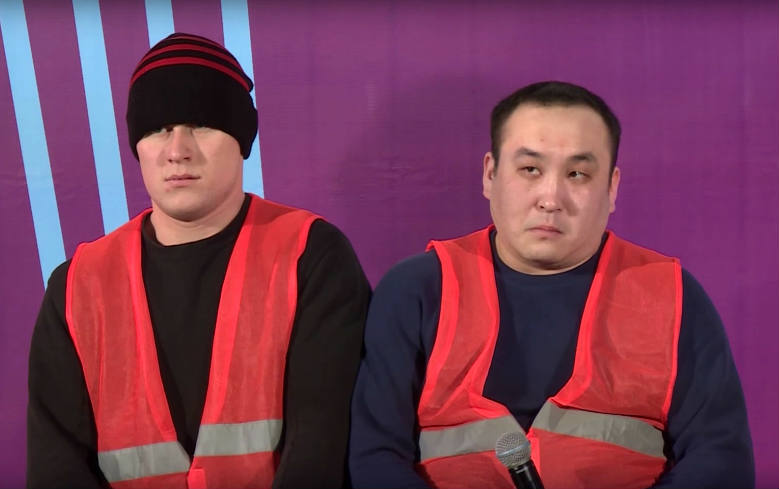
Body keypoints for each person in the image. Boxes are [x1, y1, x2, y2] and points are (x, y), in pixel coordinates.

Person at [348, 81, 754, 488]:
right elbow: (375, 458)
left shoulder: (672, 297)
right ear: (490, 174)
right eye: (530, 170)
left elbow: (721, 461)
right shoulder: (417, 290)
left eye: (577, 174)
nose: (550, 198)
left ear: (612, 188)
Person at [27, 32, 370, 489]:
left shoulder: (311, 256)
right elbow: (56, 468)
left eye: (202, 124)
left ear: (241, 138)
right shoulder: (76, 286)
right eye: (157, 129)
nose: (177, 150)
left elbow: (320, 453)